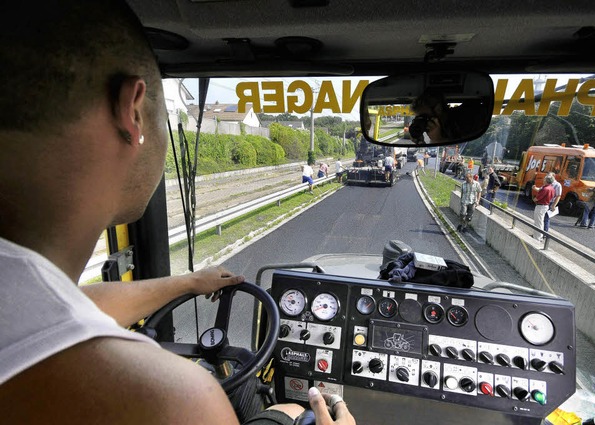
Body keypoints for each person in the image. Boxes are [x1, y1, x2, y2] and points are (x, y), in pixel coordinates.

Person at [0, 2, 355, 425]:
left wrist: (187, 282)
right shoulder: (172, 400)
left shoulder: (21, 298)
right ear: (132, 111)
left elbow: (68, 307)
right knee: (291, 411)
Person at [532, 175, 556, 241]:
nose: (543, 180)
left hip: (541, 206)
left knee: (538, 222)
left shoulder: (545, 189)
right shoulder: (551, 188)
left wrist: (534, 199)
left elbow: (537, 198)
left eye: (544, 179)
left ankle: (537, 237)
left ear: (546, 180)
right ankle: (540, 236)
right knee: (541, 221)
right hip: (545, 205)